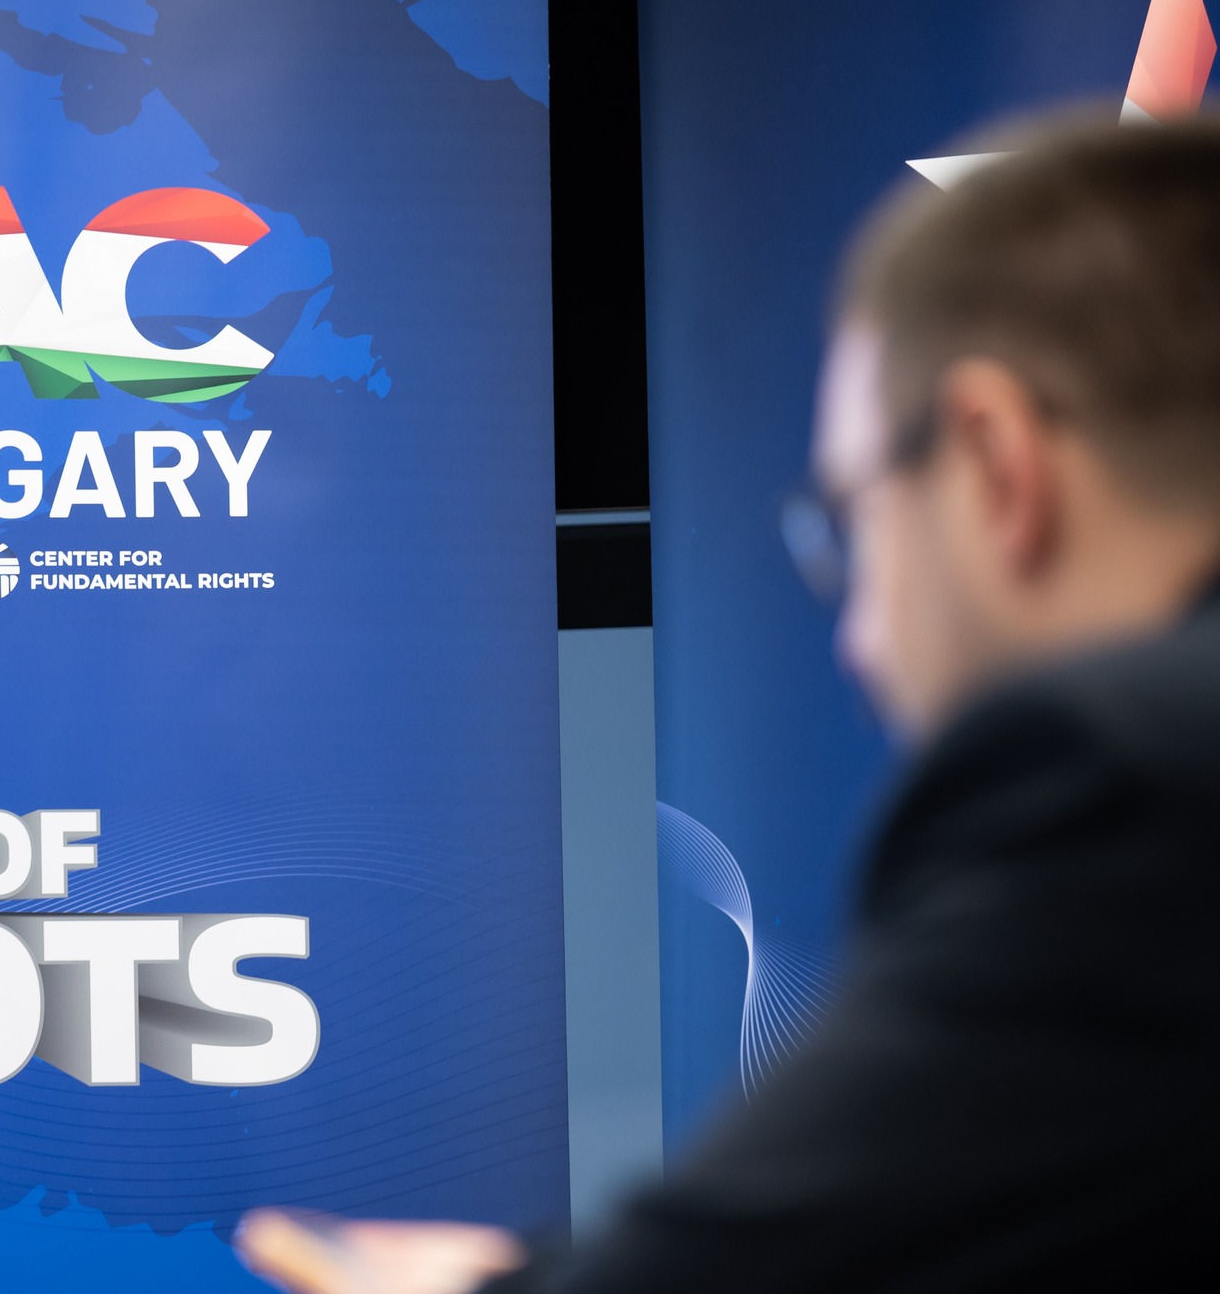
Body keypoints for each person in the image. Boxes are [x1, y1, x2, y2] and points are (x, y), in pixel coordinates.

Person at [237, 112, 1220, 1292]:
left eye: (849, 521)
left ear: (993, 464)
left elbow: (813, 1244)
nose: (856, 641)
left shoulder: (1117, 779)